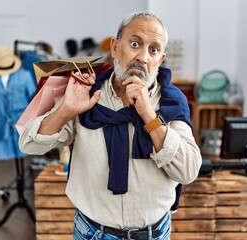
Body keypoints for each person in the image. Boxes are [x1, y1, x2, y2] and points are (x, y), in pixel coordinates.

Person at [19, 11, 201, 240]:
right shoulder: (85, 93)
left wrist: (148, 115)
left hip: (156, 234)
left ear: (160, 59)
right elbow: (28, 144)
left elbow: (188, 171)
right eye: (135, 43)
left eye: (153, 49)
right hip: (92, 233)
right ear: (115, 48)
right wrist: (67, 109)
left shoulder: (172, 102)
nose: (143, 57)